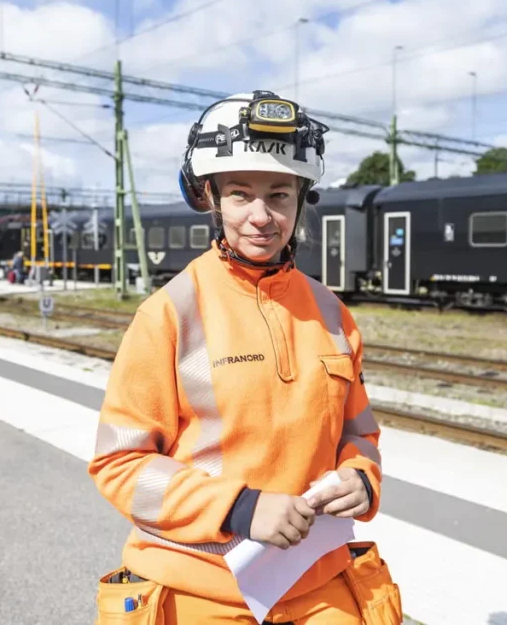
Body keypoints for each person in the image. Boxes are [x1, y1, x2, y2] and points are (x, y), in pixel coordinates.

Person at [89, 91, 402, 624]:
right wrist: (240, 507)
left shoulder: (332, 314)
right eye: (240, 194)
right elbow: (120, 465)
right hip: (198, 589)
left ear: (302, 198)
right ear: (209, 197)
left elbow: (358, 436)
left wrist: (361, 478)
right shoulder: (169, 314)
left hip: (319, 583)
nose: (261, 216)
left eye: (279, 194)